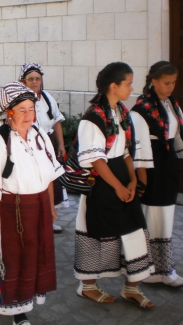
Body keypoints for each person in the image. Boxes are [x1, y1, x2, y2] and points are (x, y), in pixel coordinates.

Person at [0, 82, 63, 325]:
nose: (28, 115)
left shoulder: (40, 136)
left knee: (33, 258)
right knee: (12, 261)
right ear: (8, 112)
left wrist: (51, 206)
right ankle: (16, 312)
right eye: (21, 110)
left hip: (38, 209)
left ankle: (22, 300)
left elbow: (48, 176)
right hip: (10, 212)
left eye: (31, 109)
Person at [74, 62, 155, 309]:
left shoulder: (122, 112)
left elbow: (127, 152)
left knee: (134, 231)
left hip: (122, 179)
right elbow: (97, 160)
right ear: (114, 86)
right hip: (102, 185)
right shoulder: (92, 118)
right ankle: (87, 286)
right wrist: (118, 187)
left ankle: (132, 287)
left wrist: (132, 181)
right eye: (128, 83)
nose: (132, 88)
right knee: (95, 234)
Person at [131, 61, 183, 287]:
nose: (171, 87)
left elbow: (177, 135)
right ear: (154, 81)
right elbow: (138, 145)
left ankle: (163, 268)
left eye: (173, 82)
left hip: (168, 164)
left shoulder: (171, 103)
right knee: (152, 216)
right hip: (152, 168)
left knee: (165, 216)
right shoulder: (141, 108)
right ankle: (151, 269)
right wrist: (142, 178)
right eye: (166, 83)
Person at [20, 63, 68, 233]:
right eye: (30, 79)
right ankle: (33, 220)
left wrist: (60, 145)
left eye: (37, 79)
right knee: (33, 182)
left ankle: (49, 218)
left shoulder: (47, 98)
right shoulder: (19, 99)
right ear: (23, 81)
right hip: (27, 146)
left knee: (49, 180)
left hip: (47, 144)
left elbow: (56, 122)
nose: (34, 82)